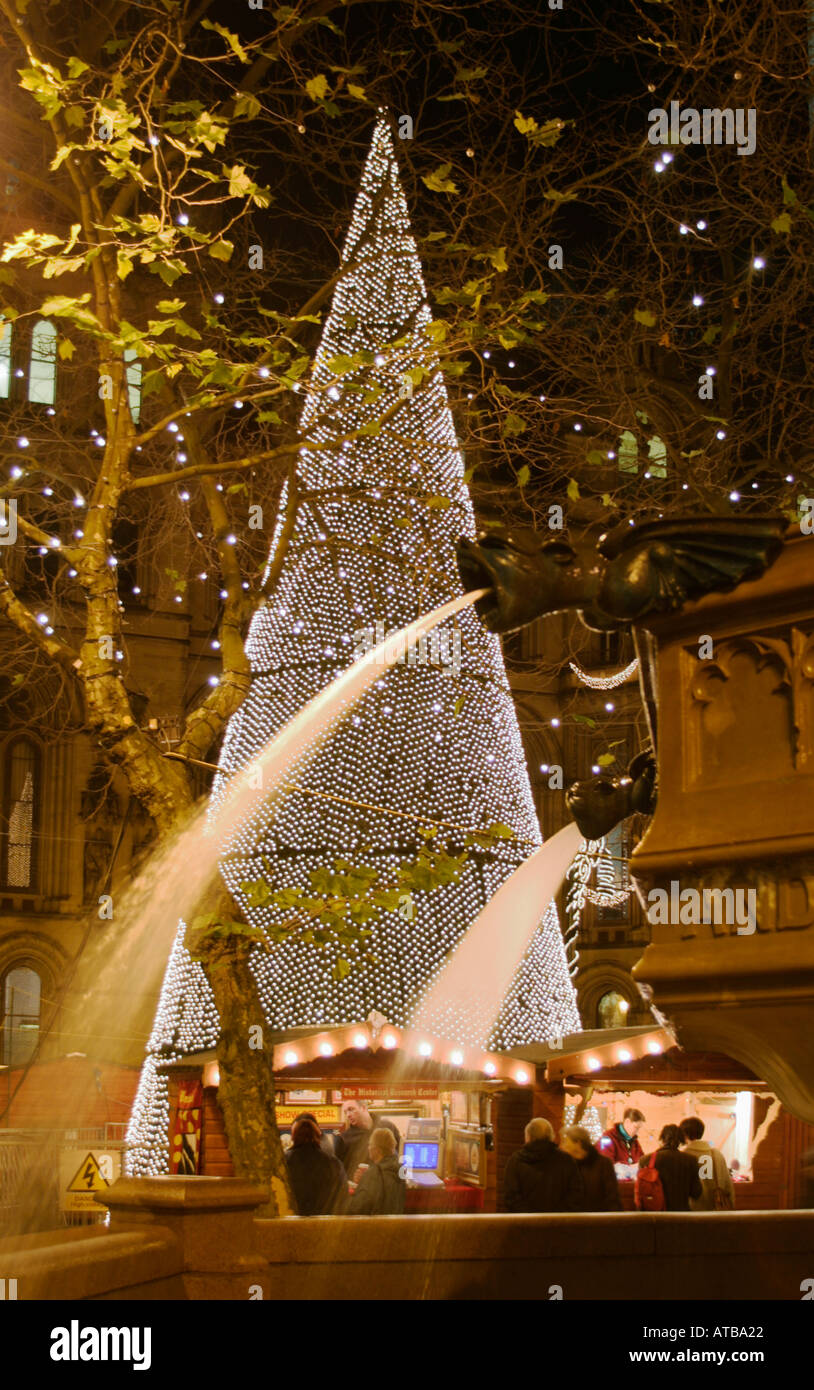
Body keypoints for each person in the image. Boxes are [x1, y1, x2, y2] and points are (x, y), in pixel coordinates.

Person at [503, 1117, 583, 1213]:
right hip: (559, 1224)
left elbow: (511, 1197)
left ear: (528, 1137)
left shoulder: (516, 1160)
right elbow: (575, 1194)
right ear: (551, 1136)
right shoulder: (566, 1161)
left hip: (524, 1224)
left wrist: (529, 1216)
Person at [285, 1115, 348, 1216]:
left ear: (293, 1136)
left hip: (293, 1220)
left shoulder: (285, 1161)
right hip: (324, 1222)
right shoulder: (333, 1162)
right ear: (318, 1135)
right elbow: (343, 1196)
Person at [638, 1123, 702, 1211]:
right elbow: (696, 1193)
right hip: (682, 1216)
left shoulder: (645, 1160)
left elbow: (640, 1191)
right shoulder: (691, 1160)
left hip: (654, 1216)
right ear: (680, 1141)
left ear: (662, 1139)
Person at [560, 1125, 622, 1211]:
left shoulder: (603, 1164)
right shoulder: (565, 1166)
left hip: (599, 1219)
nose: (562, 1146)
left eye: (565, 1142)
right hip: (573, 1220)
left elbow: (612, 1197)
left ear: (578, 1143)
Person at [334, 1100, 401, 1179]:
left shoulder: (388, 1127)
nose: (348, 1115)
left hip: (388, 1183)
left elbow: (402, 1155)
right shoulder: (345, 1138)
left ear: (363, 1107)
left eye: (351, 1109)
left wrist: (405, 1179)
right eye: (345, 1112)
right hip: (361, 1187)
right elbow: (339, 1170)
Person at [679, 1117, 735, 1211]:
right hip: (714, 1210)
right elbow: (728, 1185)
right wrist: (731, 1204)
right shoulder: (716, 1154)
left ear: (684, 1134)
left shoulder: (683, 1156)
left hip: (691, 1212)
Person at [347, 1127, 406, 1215]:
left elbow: (357, 1208)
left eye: (370, 1145)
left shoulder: (373, 1174)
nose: (368, 1148)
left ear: (377, 1150)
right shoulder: (401, 1171)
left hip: (375, 1226)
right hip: (395, 1225)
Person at [598, 1108, 646, 1177]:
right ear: (627, 1122)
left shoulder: (634, 1141)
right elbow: (606, 1164)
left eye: (639, 1128)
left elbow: (642, 1159)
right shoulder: (607, 1138)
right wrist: (629, 1167)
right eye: (636, 1127)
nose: (637, 1131)